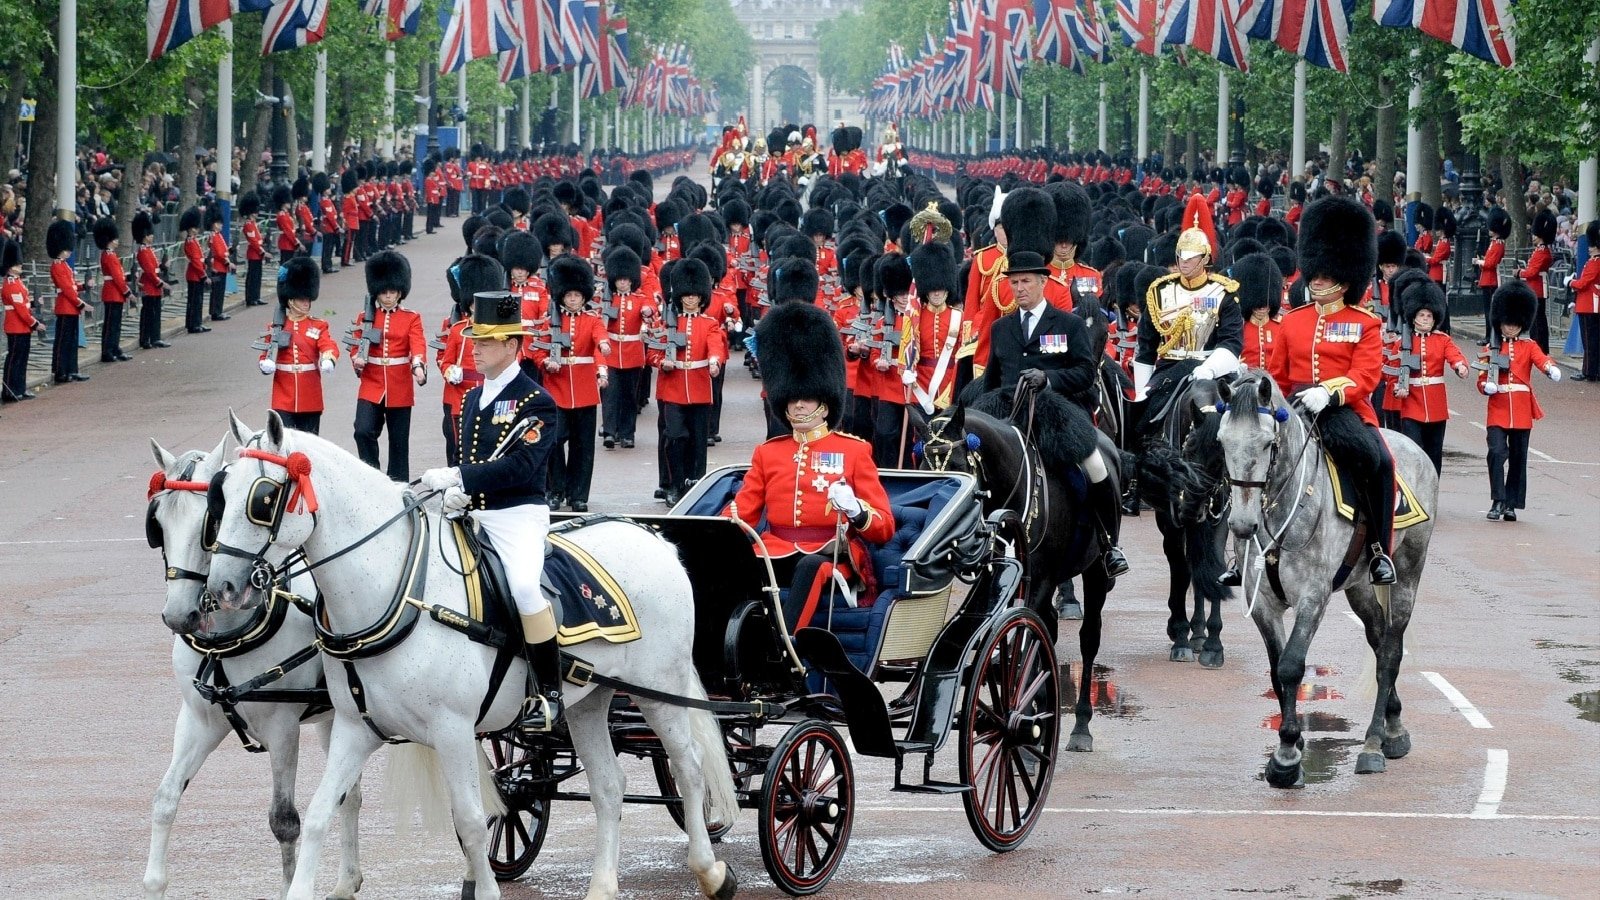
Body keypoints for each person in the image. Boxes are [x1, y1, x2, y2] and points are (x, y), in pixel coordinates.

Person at [419, 289, 563, 735]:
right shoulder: (469, 399)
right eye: (474, 340)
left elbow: (522, 466)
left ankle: (549, 693)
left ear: (511, 345)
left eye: (485, 341)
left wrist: (460, 478)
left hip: (519, 515)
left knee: (523, 587)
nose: (474, 348)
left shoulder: (536, 401)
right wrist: (457, 493)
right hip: (473, 514)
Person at [731, 300, 896, 632]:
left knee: (810, 567)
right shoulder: (768, 453)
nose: (799, 405)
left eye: (806, 398)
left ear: (825, 405)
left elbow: (884, 527)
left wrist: (858, 511)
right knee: (736, 566)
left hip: (832, 555)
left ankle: (784, 649)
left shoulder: (853, 451)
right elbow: (742, 513)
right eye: (792, 399)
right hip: (774, 548)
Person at [1268, 196, 1395, 584]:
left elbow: (1366, 375)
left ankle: (1378, 551)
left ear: (1346, 276)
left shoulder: (1365, 323)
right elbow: (1278, 375)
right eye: (1315, 273)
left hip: (1344, 411)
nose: (1317, 279)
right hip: (1294, 408)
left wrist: (1330, 393)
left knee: (1381, 464)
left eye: (1326, 274)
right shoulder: (1293, 322)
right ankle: (1244, 552)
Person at [983, 248, 1129, 578]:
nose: (1019, 288)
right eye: (1014, 282)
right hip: (1008, 411)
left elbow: (1085, 372)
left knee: (1094, 463)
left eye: (1026, 282)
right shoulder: (1001, 328)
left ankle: (1109, 544)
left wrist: (1049, 379)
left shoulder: (1069, 324)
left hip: (1058, 411)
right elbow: (991, 378)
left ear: (1042, 283)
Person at [1478, 283, 1562, 521]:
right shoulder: (1491, 347)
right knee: (1496, 452)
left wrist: (1550, 369)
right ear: (1500, 322)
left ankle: (1511, 504)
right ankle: (1497, 499)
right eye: (1507, 322)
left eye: (1515, 323)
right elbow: (1481, 378)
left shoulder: (1529, 346)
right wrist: (1486, 385)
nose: (1511, 327)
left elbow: (1542, 360)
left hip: (1522, 409)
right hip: (1498, 408)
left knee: (1518, 458)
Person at [649, 257, 728, 504]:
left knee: (697, 442)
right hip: (672, 390)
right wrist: (662, 363)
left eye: (695, 295)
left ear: (702, 297)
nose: (691, 299)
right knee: (674, 436)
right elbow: (653, 352)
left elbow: (717, 346)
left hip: (700, 388)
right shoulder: (667, 323)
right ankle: (673, 484)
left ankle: (695, 485)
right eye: (687, 295)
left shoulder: (710, 323)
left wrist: (714, 361)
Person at [535, 256, 611, 512]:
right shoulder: (550, 321)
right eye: (568, 295)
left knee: (583, 446)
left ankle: (579, 494)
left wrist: (603, 346)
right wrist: (546, 362)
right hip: (556, 389)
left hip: (584, 390)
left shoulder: (592, 319)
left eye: (577, 295)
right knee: (554, 442)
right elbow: (536, 350)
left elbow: (599, 336)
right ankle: (556, 489)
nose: (573, 299)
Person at [350, 251, 427, 481]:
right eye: (383, 292)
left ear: (400, 292)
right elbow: (355, 346)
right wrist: (356, 360)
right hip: (372, 383)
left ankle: (398, 485)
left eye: (392, 291)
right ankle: (372, 476)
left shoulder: (411, 317)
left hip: (399, 385)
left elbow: (417, 344)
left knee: (398, 443)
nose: (387, 296)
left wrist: (419, 366)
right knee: (362, 431)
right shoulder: (365, 317)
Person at [1384, 272, 1468, 475]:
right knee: (1413, 448)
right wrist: (1398, 389)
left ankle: (1433, 488)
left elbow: (1454, 355)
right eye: (1421, 315)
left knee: (1434, 452)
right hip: (1411, 401)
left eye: (1429, 316)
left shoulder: (1442, 340)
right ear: (1413, 317)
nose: (1425, 319)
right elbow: (1391, 372)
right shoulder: (1401, 343)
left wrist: (1459, 366)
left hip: (1436, 402)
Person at [257, 258, 337, 434]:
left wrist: (328, 358)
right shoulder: (275, 327)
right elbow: (266, 354)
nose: (306, 303)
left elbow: (327, 344)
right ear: (290, 300)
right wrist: (264, 364)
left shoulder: (318, 325)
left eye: (308, 299)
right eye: (302, 299)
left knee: (309, 448)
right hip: (283, 395)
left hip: (310, 395)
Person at [437, 254, 499, 465]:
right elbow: (445, 360)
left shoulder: (498, 329)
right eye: (473, 303)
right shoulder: (457, 329)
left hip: (489, 391)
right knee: (458, 447)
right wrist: (449, 371)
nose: (476, 307)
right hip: (459, 395)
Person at [598, 245, 656, 450]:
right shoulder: (606, 298)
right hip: (611, 352)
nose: (622, 283)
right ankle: (610, 432)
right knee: (610, 394)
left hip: (632, 352)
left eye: (626, 279)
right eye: (619, 279)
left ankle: (627, 433)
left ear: (631, 280)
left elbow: (650, 312)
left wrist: (648, 314)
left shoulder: (639, 299)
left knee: (629, 396)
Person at [2, 238, 45, 401]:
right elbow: (20, 310)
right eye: (17, 264)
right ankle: (9, 391)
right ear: (10, 266)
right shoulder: (11, 284)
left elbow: (23, 304)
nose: (20, 266)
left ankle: (20, 387)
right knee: (14, 360)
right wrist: (35, 324)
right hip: (16, 327)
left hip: (22, 327)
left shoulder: (18, 282)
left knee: (22, 359)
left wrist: (34, 303)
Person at [47, 220, 89, 384]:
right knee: (63, 341)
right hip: (65, 306)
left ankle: (72, 369)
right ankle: (60, 371)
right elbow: (66, 289)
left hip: (71, 307)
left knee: (72, 341)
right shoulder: (56, 266)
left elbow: (72, 285)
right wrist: (81, 303)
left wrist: (84, 286)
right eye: (66, 248)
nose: (69, 251)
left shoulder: (65, 266)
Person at [93, 217, 131, 363]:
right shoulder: (108, 255)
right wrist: (126, 291)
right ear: (109, 239)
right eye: (114, 238)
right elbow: (116, 277)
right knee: (110, 325)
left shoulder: (111, 254)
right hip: (112, 292)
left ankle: (114, 347)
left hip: (115, 292)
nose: (117, 241)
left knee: (116, 324)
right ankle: (107, 351)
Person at [1520, 209, 1557, 353]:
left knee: (1538, 319)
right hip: (1534, 287)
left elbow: (1532, 272)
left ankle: (1539, 346)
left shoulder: (1543, 252)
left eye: (1535, 234)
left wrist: (1519, 272)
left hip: (1538, 288)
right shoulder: (1539, 250)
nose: (1533, 236)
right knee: (1536, 319)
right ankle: (1536, 344)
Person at [133, 212, 171, 349]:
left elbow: (154, 268)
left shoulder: (149, 250)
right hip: (149, 286)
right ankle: (145, 339)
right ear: (145, 236)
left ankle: (155, 337)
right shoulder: (142, 251)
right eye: (150, 235)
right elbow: (149, 271)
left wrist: (163, 266)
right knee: (148, 313)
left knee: (155, 312)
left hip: (154, 286)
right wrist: (161, 283)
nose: (152, 236)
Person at [1568, 221, 1600, 382]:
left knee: (1590, 342)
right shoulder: (1594, 261)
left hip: (1589, 306)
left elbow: (1582, 284)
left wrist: (1570, 282)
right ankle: (1595, 370)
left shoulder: (1595, 262)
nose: (1589, 247)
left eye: (1592, 245)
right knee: (1594, 341)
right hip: (1591, 305)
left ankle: (1588, 371)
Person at [178, 206, 208, 334]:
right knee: (194, 301)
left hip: (197, 273)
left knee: (198, 301)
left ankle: (197, 322)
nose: (196, 231)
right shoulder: (190, 242)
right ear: (189, 229)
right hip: (195, 275)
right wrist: (203, 275)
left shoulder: (194, 241)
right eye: (194, 228)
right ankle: (192, 324)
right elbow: (195, 261)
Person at [204, 206, 234, 322]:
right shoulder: (213, 236)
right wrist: (228, 263)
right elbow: (218, 253)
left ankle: (218, 310)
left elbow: (224, 251)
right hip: (217, 267)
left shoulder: (218, 235)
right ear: (215, 224)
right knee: (216, 292)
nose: (221, 225)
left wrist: (230, 250)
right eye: (219, 223)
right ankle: (215, 312)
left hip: (222, 267)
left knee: (220, 291)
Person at [238, 192, 266, 306]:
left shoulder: (253, 224)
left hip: (257, 253)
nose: (256, 213)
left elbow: (257, 238)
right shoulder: (248, 225)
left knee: (257, 276)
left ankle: (256, 296)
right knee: (252, 277)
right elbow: (253, 241)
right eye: (254, 211)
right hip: (254, 253)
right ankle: (250, 298)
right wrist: (262, 251)